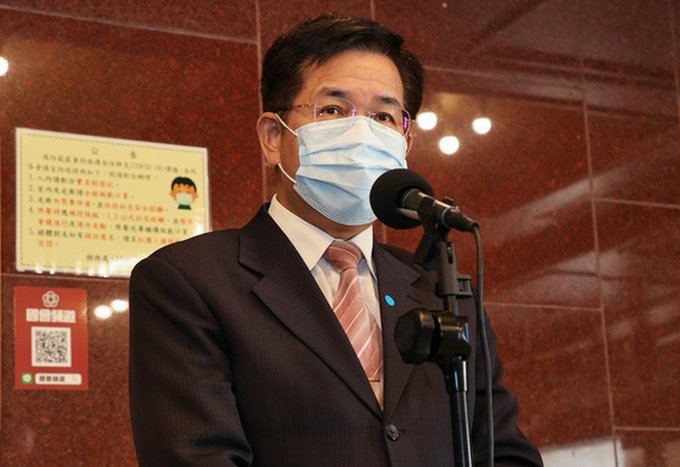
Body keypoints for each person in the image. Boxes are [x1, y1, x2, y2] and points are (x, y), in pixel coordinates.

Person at [129, 13, 543, 467]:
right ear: (273, 137)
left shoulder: (441, 291)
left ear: (404, 144)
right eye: (332, 110)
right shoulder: (189, 281)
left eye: (383, 116)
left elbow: (506, 454)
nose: (361, 133)